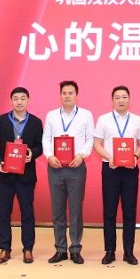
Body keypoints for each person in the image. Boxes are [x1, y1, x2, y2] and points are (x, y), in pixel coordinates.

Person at [41, 80, 94, 265]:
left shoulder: (86, 115)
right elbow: (46, 138)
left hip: (76, 168)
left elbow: (90, 139)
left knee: (76, 210)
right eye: (64, 93)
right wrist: (49, 156)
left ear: (76, 95)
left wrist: (82, 155)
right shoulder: (52, 115)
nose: (67, 96)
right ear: (60, 95)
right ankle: (60, 249)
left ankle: (75, 248)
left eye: (71, 93)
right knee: (57, 210)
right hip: (55, 168)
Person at [0, 87, 44, 264]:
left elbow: (40, 146)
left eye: (22, 98)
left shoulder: (35, 122)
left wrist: (32, 153)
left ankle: (28, 248)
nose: (19, 102)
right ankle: (4, 248)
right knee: (4, 213)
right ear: (11, 100)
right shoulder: (1, 120)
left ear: (28, 100)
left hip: (26, 176)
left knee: (27, 212)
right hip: (5, 175)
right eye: (16, 98)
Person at [93, 85, 140, 265]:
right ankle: (110, 251)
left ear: (129, 99)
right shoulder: (103, 119)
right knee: (110, 211)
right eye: (117, 97)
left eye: (124, 97)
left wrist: (136, 156)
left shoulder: (137, 120)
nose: (121, 100)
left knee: (129, 211)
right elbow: (97, 144)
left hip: (130, 170)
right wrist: (110, 157)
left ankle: (128, 251)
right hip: (111, 169)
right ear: (112, 100)